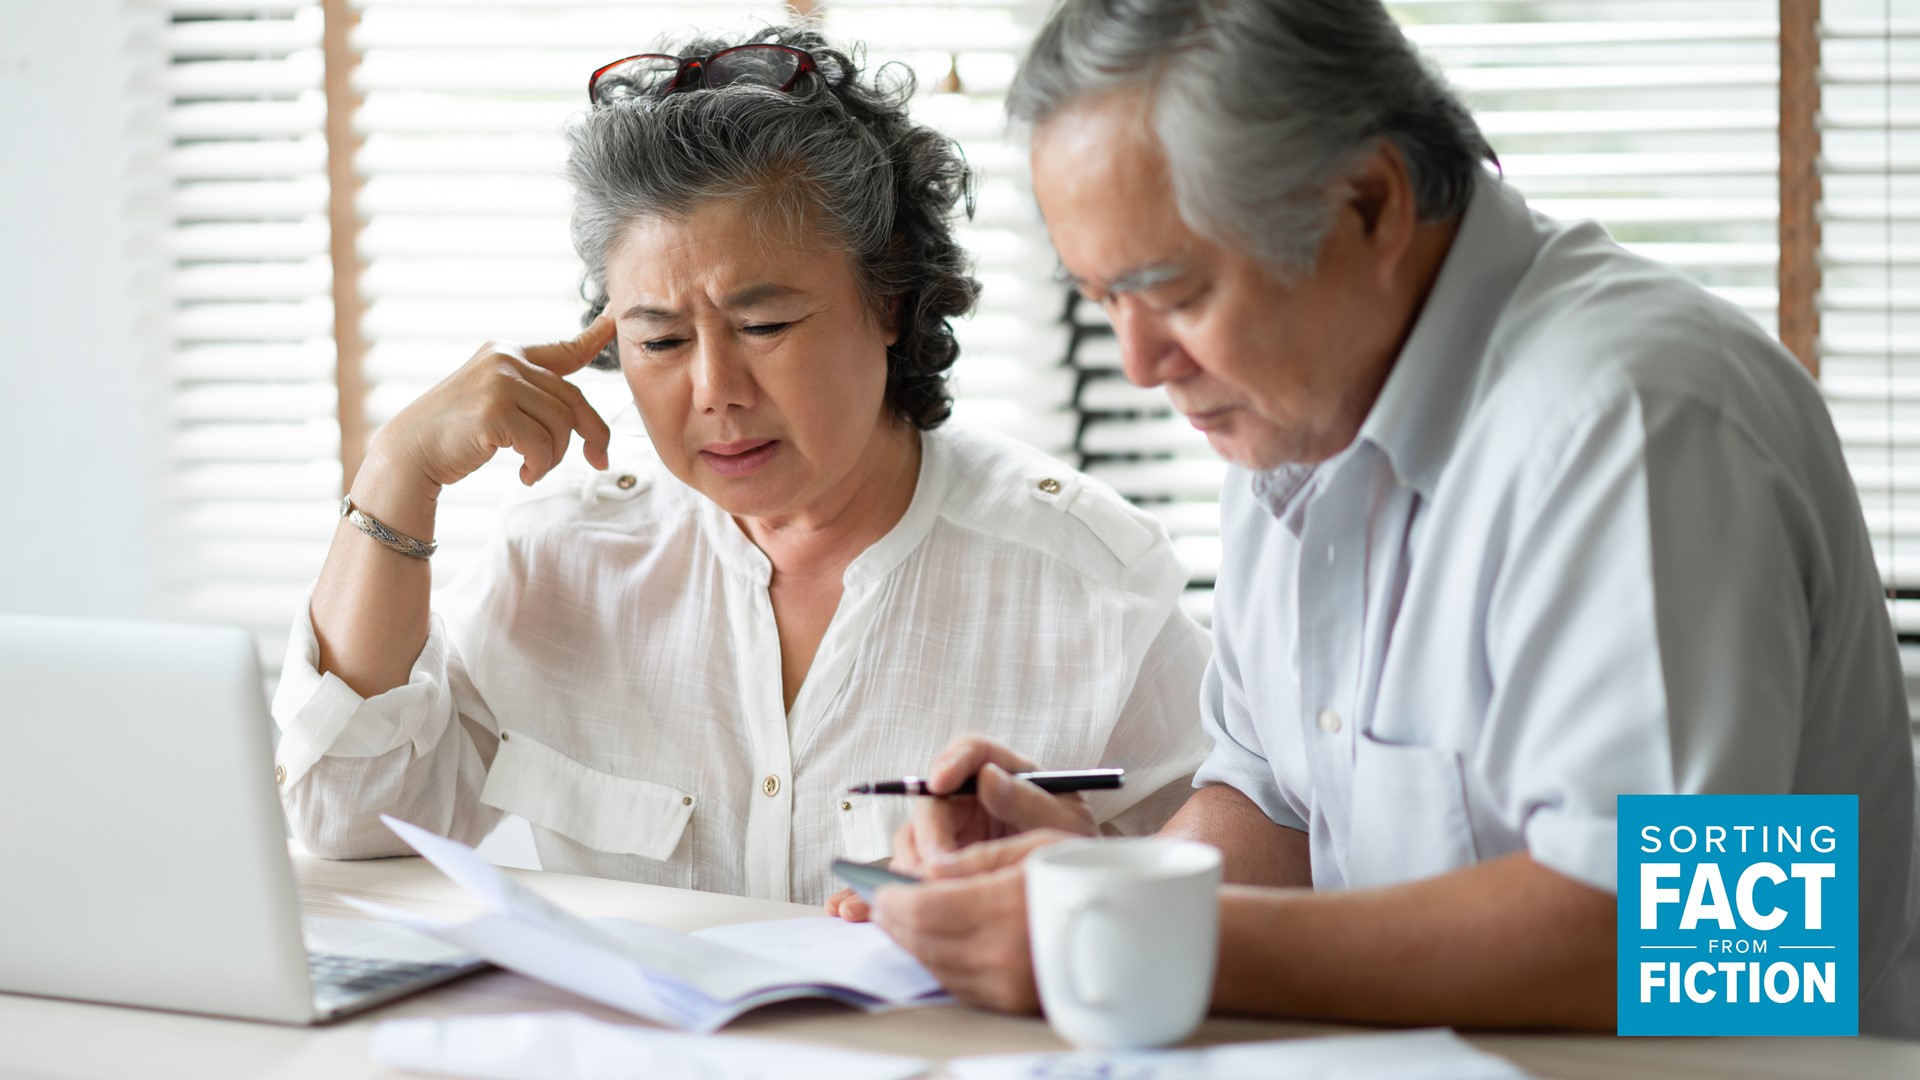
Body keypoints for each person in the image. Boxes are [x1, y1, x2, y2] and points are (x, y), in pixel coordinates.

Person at [853, 0, 1920, 1036]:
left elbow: (1708, 945)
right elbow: (1274, 804)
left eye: (1173, 292)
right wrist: (1090, 886)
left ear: (1368, 203)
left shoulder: (1640, 421)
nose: (1139, 366)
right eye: (1103, 302)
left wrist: (1139, 933)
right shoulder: (1296, 413)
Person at [269, 25, 1212, 906]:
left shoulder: (1091, 585)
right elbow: (347, 823)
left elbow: (1239, 890)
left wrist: (1073, 890)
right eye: (662, 340)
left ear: (888, 302)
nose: (715, 389)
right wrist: (396, 474)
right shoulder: (559, 567)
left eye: (763, 326)